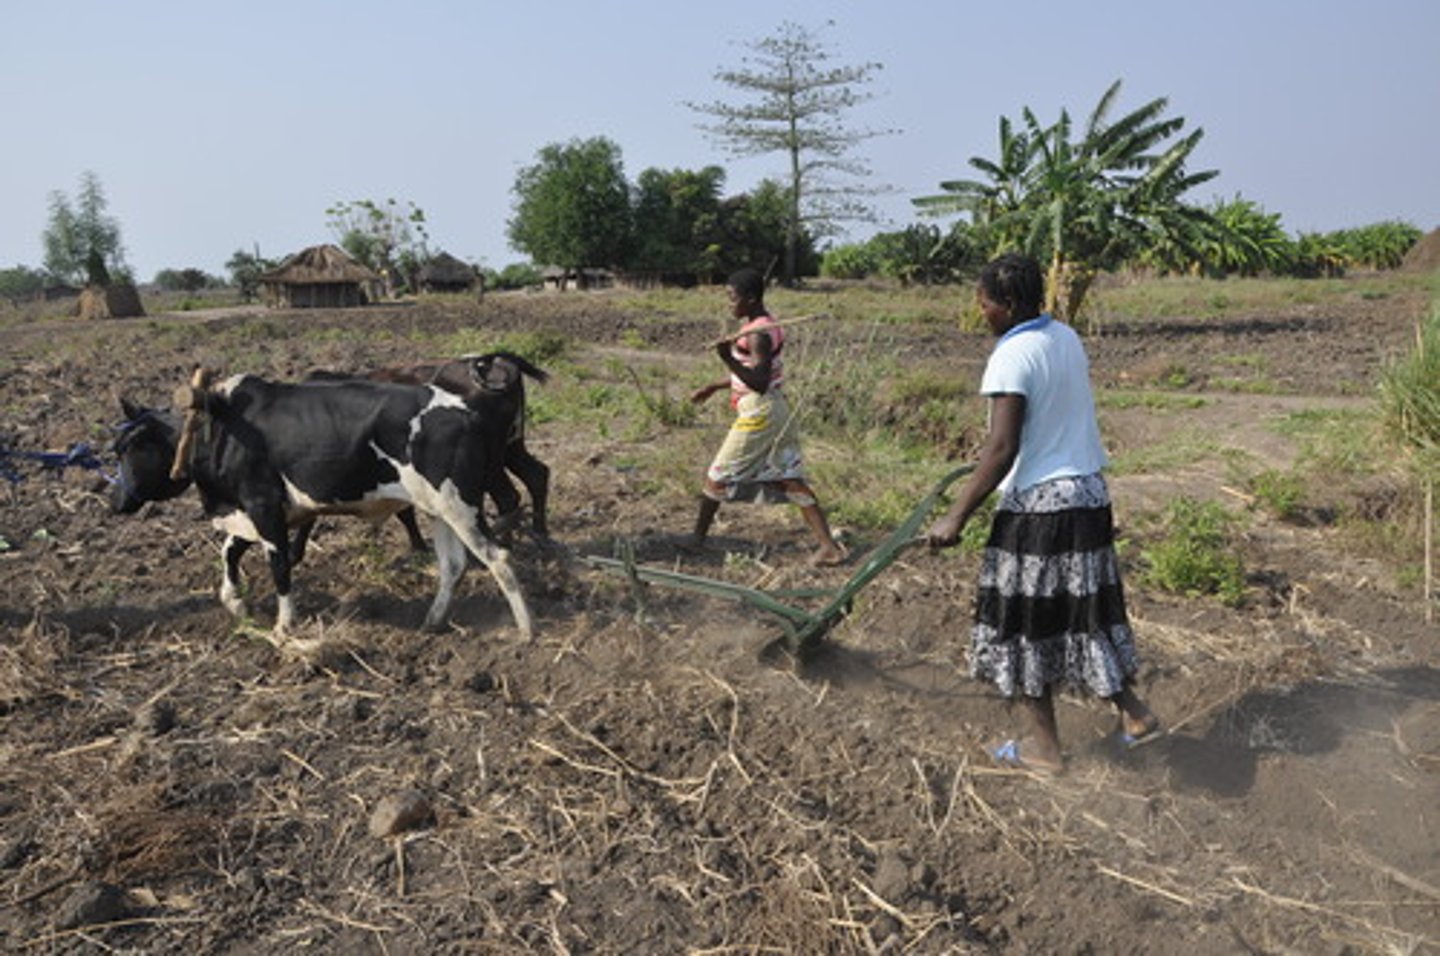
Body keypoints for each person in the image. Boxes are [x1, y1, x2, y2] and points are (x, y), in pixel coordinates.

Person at [926, 252, 1158, 775]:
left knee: (1022, 625)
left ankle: (1044, 751)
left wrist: (956, 515)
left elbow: (1002, 446)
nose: (980, 312)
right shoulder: (1065, 337)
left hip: (1040, 508)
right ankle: (1134, 714)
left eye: (984, 303)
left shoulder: (1012, 355)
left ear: (1007, 305)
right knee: (1085, 613)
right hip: (1088, 496)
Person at [685, 268, 848, 567]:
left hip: (759, 414)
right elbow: (758, 374)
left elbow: (758, 381)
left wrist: (727, 358)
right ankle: (829, 548)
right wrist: (713, 386)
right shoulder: (761, 325)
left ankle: (696, 541)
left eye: (732, 299)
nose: (729, 305)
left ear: (750, 298)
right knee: (788, 478)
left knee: (717, 475)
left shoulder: (758, 333)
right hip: (775, 409)